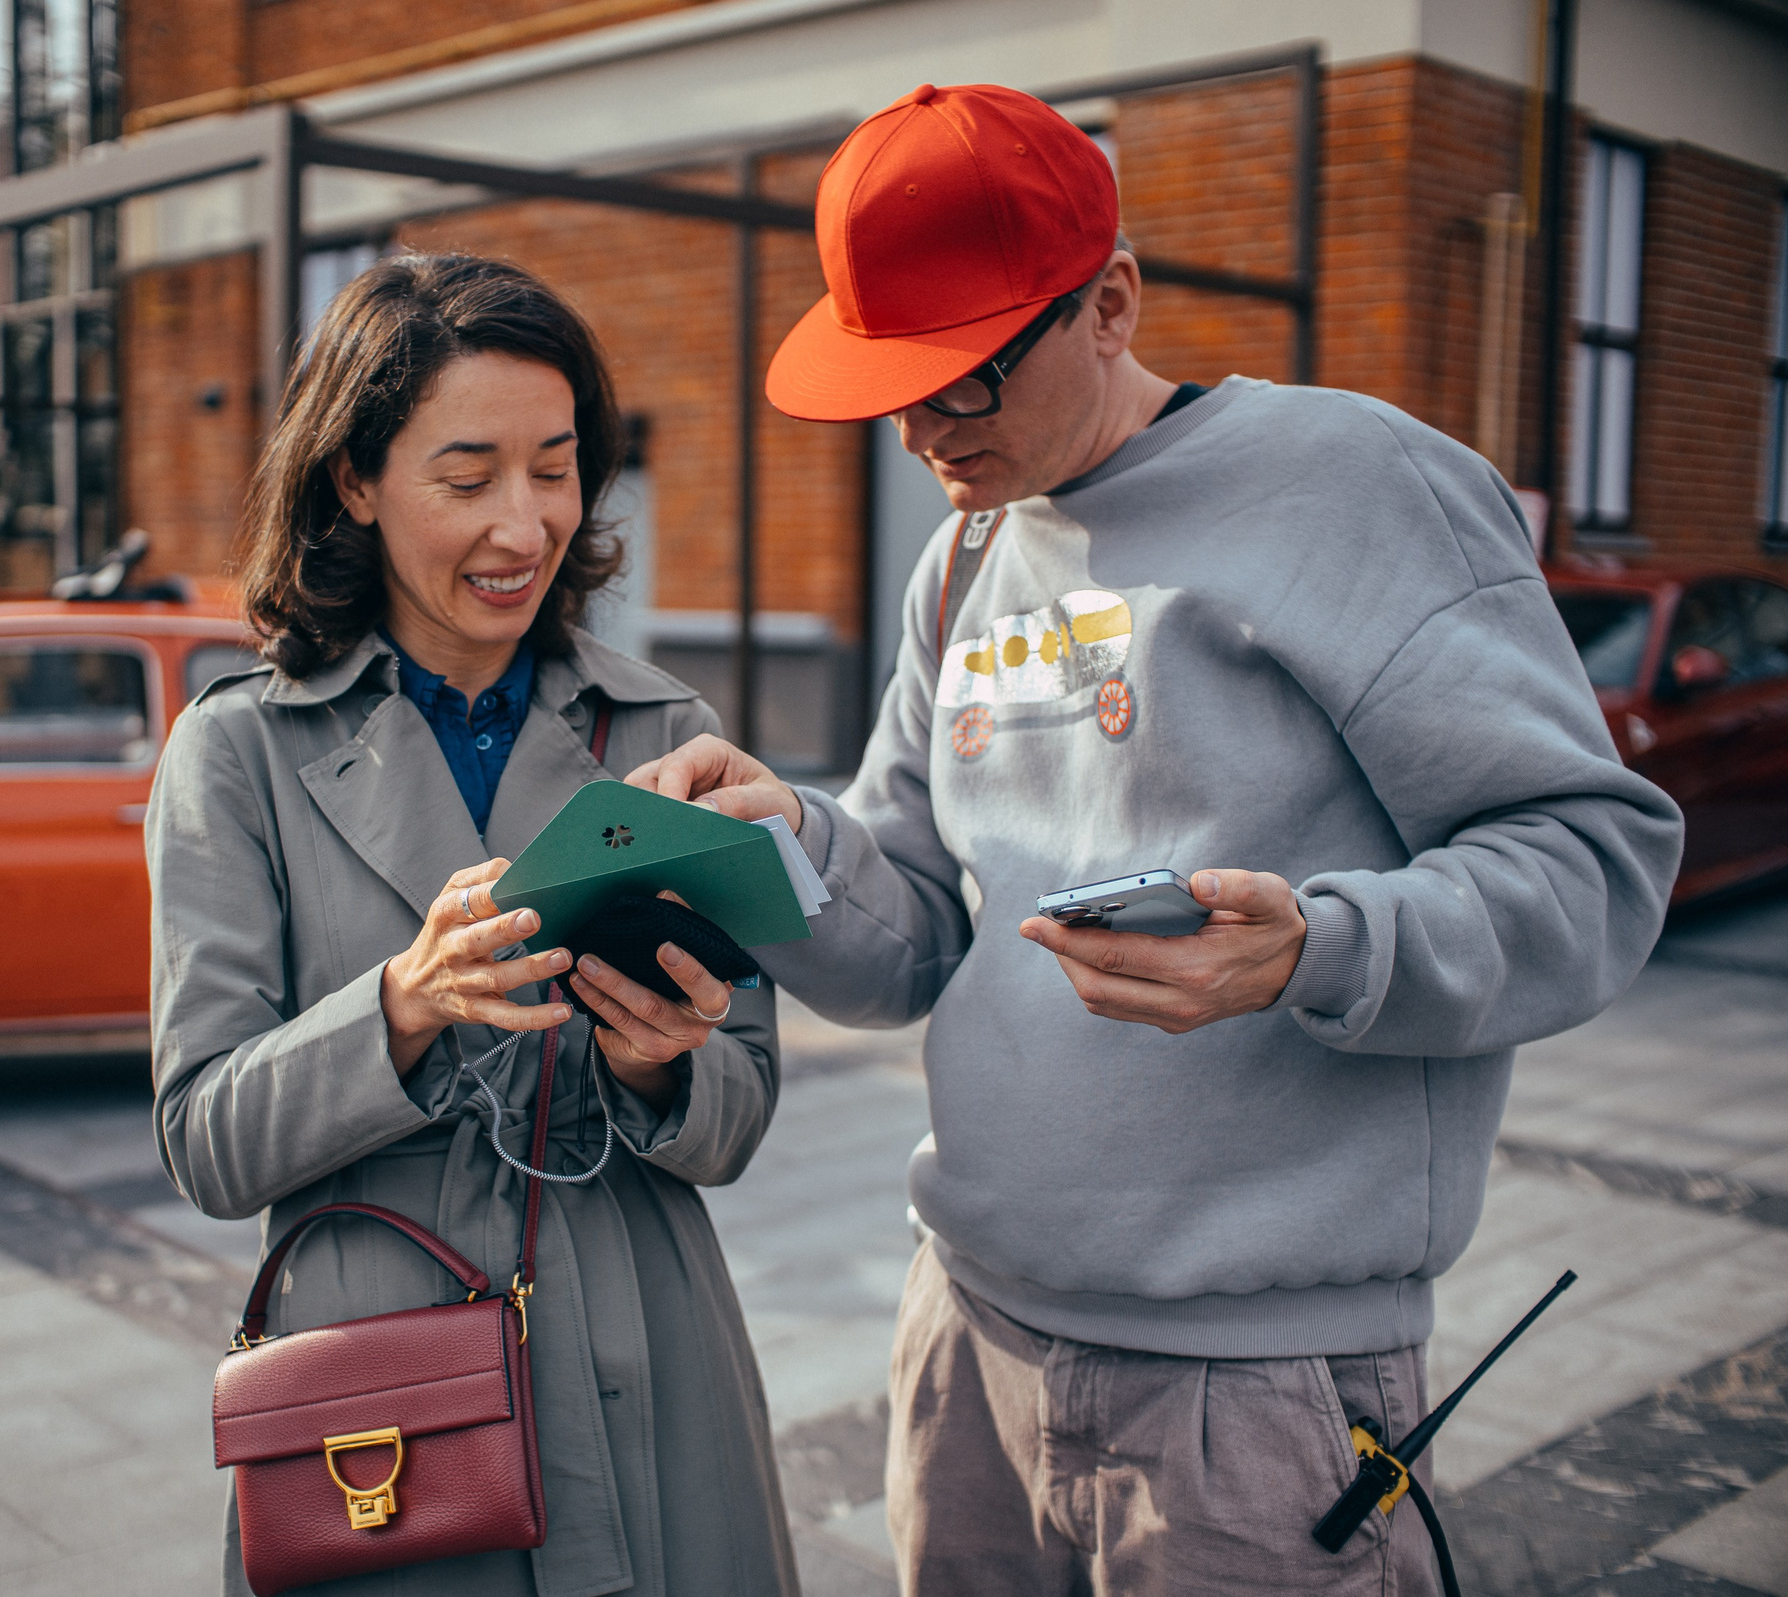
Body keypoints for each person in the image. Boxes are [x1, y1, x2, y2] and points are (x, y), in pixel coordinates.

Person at [633, 85, 1684, 1594]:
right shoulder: (965, 555)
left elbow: (1597, 859)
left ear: (1111, 301)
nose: (926, 430)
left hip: (1256, 1394)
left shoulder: (1361, 489)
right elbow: (915, 931)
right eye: (893, 389)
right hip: (968, 1346)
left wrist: (1321, 947)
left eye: (967, 379)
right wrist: (784, 840)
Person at [146, 254, 798, 1597]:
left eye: (555, 470)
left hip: (650, 1353)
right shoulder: (237, 755)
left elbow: (740, 1116)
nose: (523, 525)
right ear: (355, 482)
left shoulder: (666, 733)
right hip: (384, 1391)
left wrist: (660, 1061)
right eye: (467, 477)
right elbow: (207, 1140)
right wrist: (403, 1002)